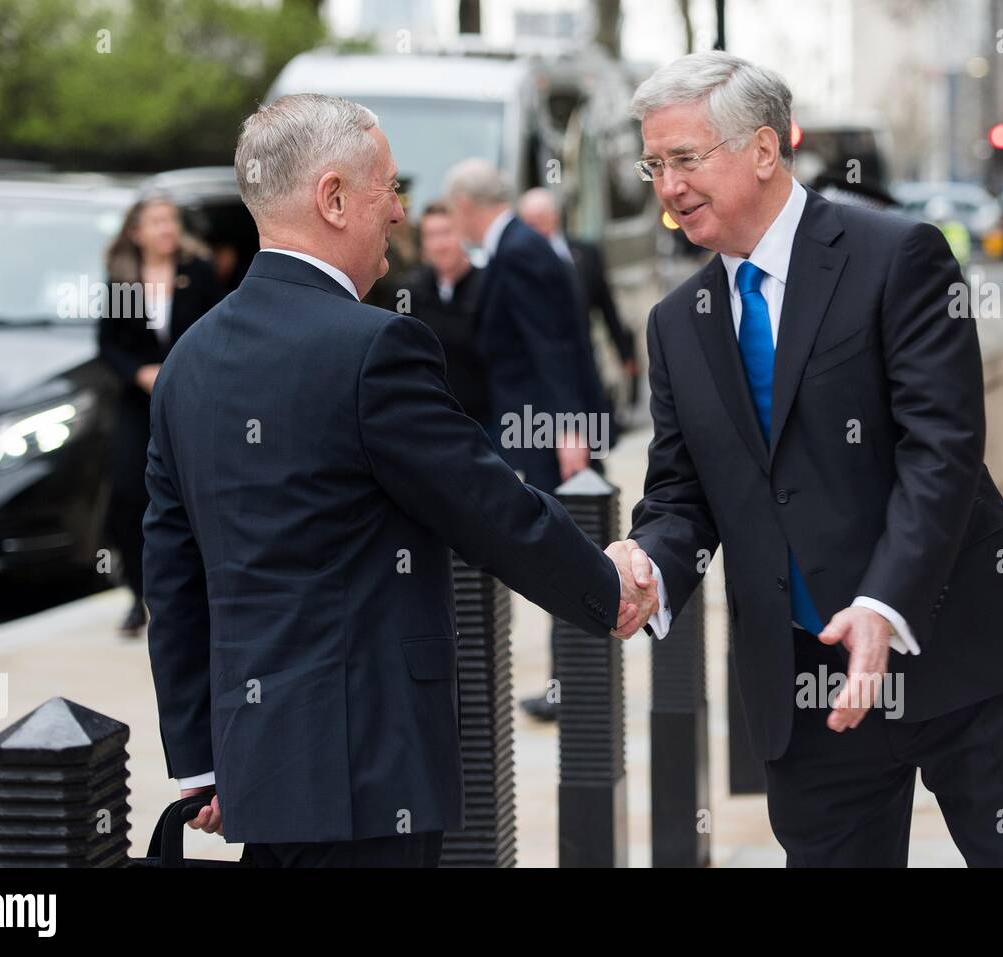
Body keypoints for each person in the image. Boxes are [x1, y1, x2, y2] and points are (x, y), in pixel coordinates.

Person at [143, 94, 658, 868]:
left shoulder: (188, 360)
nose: (400, 211)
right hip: (369, 765)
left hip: (258, 767)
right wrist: (604, 583)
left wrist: (199, 764)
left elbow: (171, 572)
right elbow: (487, 505)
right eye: (388, 186)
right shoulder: (375, 348)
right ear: (333, 196)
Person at [608, 52, 1003, 866]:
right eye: (654, 164)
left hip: (963, 645)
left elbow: (943, 449)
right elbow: (683, 490)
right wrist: (648, 560)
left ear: (763, 150)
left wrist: (883, 603)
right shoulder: (675, 322)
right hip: (808, 687)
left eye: (686, 159)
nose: (667, 186)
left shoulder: (899, 255)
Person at [444, 160, 608, 723]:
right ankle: (575, 681)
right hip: (538, 428)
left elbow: (552, 348)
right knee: (560, 552)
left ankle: (575, 683)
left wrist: (568, 429)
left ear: (466, 204)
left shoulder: (516, 251)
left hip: (546, 434)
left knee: (561, 553)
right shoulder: (520, 246)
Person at [98, 194, 224, 637]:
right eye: (155, 221)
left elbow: (218, 329)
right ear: (136, 232)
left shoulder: (199, 273)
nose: (166, 229)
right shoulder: (123, 282)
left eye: (170, 220)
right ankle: (138, 594)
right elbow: (108, 344)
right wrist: (138, 372)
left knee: (193, 490)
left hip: (191, 400)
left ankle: (199, 589)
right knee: (133, 492)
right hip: (139, 404)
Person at [517, 187, 638, 424]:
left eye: (539, 220)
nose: (534, 229)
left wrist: (625, 353)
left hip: (586, 355)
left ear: (554, 217)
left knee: (595, 429)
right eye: (528, 223)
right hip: (545, 369)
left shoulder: (585, 253)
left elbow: (606, 306)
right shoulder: (519, 262)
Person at [403, 202, 489, 425]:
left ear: (462, 234)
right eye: (431, 235)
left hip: (489, 418)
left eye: (447, 232)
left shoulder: (489, 285)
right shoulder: (410, 291)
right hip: (435, 418)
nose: (440, 244)